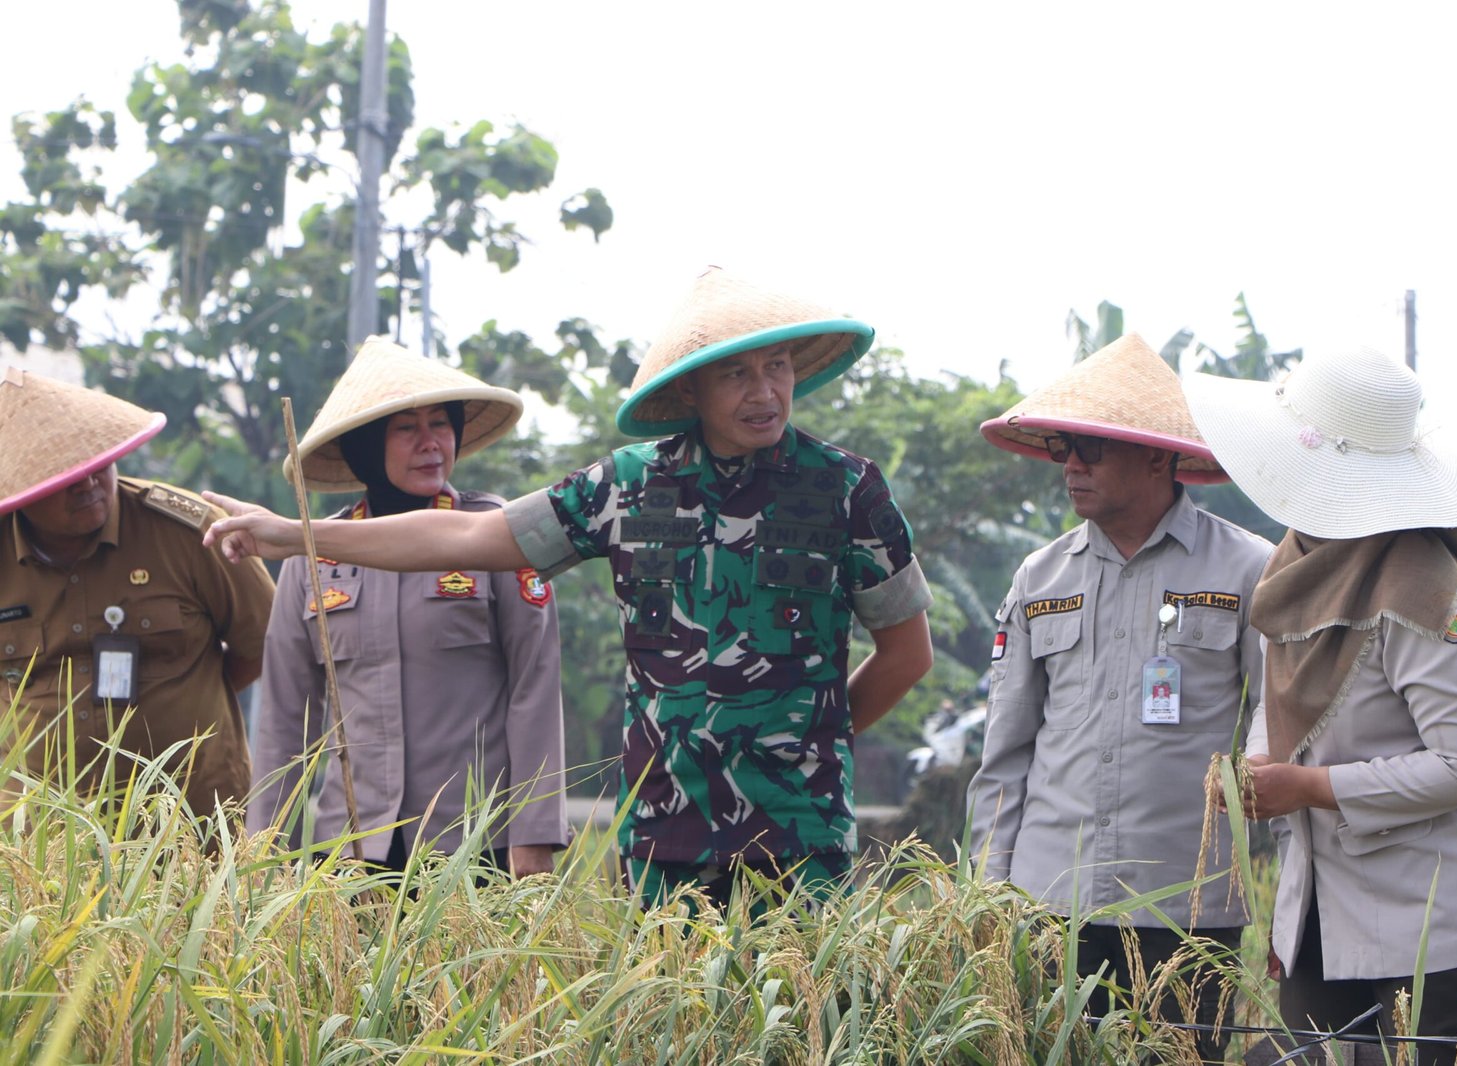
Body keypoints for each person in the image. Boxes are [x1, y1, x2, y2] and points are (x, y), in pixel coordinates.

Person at [205, 267, 935, 906]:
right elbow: (464, 535)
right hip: (664, 837)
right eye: (737, 374)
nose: (765, 391)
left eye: (777, 367)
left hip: (801, 835)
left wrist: (809, 742)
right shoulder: (626, 485)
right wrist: (296, 534)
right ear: (693, 388)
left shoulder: (847, 490)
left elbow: (907, 654)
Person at [1186, 347, 1457, 1065]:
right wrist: (1258, 764)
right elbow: (1281, 694)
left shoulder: (1422, 592)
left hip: (1442, 923)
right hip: (1327, 906)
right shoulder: (1298, 563)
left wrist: (1311, 787)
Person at [967, 334, 1273, 1062]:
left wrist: (1292, 906)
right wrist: (983, 899)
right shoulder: (1039, 580)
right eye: (1066, 447)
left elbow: (1280, 735)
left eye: (1093, 448)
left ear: (1160, 456)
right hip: (1048, 908)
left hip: (1189, 910)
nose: (1071, 465)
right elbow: (1004, 755)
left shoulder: (1248, 570)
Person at [248, 339, 569, 876]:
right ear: (367, 447)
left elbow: (534, 693)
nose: (430, 444)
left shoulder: (498, 539)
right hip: (349, 851)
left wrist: (533, 837)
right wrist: (263, 847)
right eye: (406, 429)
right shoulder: (311, 553)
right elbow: (285, 715)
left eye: (441, 424)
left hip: (469, 849)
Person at [0, 367, 275, 815]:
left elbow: (265, 640)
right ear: (22, 491)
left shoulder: (189, 532)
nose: (88, 484)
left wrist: (187, 692)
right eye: (66, 477)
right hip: (40, 843)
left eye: (97, 464)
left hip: (187, 824)